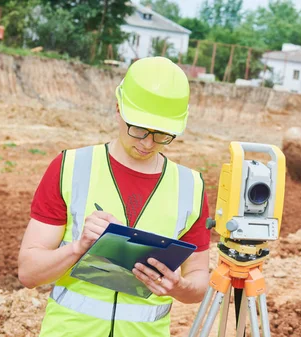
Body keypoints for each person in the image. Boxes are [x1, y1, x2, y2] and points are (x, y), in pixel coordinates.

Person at [18, 57, 211, 337]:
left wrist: (179, 286)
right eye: (140, 129)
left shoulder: (190, 186)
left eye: (161, 135)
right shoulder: (70, 167)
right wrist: (77, 247)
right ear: (119, 107)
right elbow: (28, 273)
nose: (147, 143)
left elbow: (198, 283)